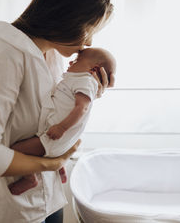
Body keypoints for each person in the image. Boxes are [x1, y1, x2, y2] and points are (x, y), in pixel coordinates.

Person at [0, 0, 114, 223]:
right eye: (88, 31)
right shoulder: (5, 52)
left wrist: (88, 93)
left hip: (49, 196)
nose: (88, 43)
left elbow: (50, 113)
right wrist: (48, 164)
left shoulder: (52, 55)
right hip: (13, 209)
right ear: (68, 19)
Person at [8, 47, 116, 195]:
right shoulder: (76, 79)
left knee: (16, 150)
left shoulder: (85, 81)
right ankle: (59, 168)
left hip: (54, 136)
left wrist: (62, 127)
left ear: (94, 68)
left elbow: (81, 108)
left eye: (77, 60)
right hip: (55, 139)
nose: (71, 61)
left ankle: (30, 178)